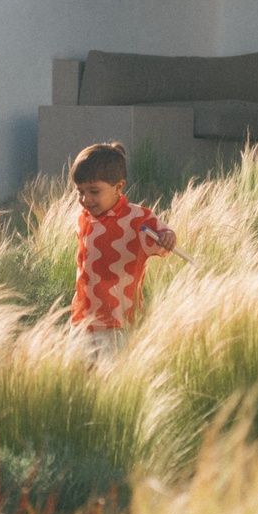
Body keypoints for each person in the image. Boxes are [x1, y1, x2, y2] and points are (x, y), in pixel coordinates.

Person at [68, 140, 175, 359]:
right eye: (80, 192)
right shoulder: (85, 218)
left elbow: (163, 237)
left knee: (111, 381)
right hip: (83, 319)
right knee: (79, 380)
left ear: (119, 187)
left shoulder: (137, 218)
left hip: (118, 323)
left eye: (94, 191)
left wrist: (167, 237)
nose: (85, 200)